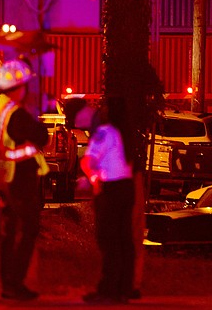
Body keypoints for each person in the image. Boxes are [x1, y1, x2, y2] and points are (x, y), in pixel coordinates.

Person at [0, 58, 49, 301]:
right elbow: (41, 136)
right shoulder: (17, 114)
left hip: (6, 180)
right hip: (20, 182)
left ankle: (9, 284)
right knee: (26, 231)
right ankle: (14, 284)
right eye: (24, 85)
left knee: (10, 233)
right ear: (18, 87)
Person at [75, 100, 135, 305]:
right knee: (124, 239)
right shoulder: (127, 133)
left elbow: (88, 160)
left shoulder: (106, 132)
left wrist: (92, 178)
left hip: (110, 190)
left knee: (108, 240)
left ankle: (108, 289)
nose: (101, 110)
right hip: (127, 188)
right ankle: (123, 288)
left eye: (105, 106)